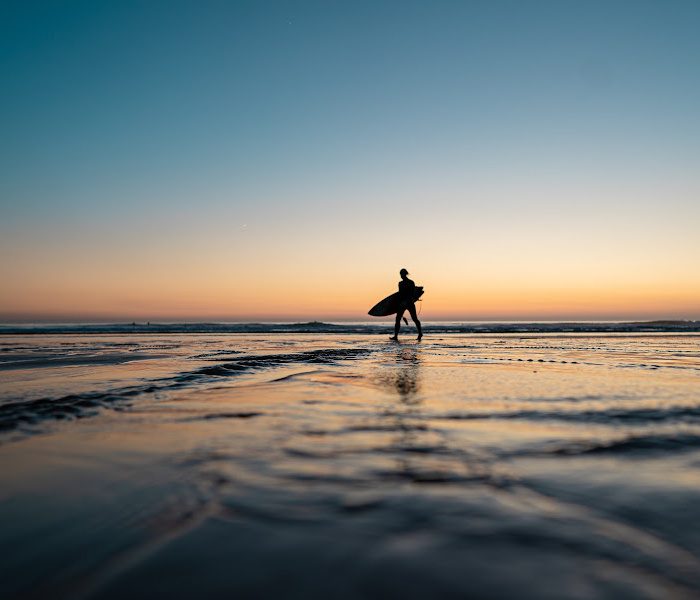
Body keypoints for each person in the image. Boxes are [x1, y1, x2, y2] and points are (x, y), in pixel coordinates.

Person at [390, 268, 423, 341]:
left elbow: (401, 294)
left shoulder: (404, 283)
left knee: (412, 318)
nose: (401, 276)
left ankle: (420, 333)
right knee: (399, 319)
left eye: (401, 274)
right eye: (400, 274)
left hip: (406, 303)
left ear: (405, 274)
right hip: (407, 302)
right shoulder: (408, 282)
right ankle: (396, 336)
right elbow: (404, 294)